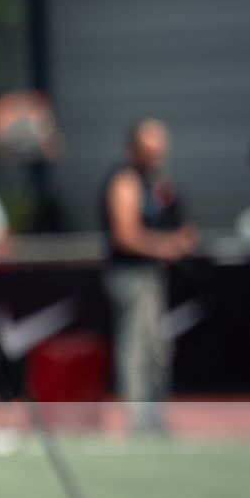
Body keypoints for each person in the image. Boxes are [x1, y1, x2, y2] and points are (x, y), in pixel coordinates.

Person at [100, 120, 198, 433]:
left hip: (151, 276)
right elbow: (126, 236)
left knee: (157, 348)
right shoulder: (125, 181)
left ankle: (154, 417)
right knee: (137, 347)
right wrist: (168, 245)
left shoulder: (155, 183)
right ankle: (139, 419)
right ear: (135, 150)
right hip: (131, 278)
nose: (157, 156)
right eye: (150, 150)